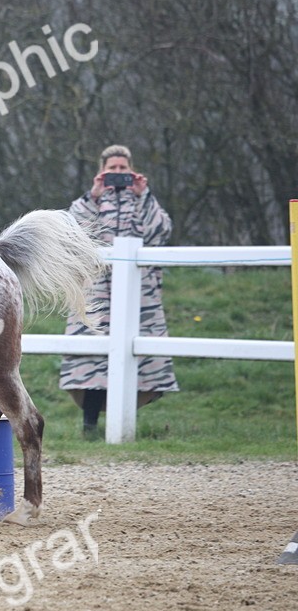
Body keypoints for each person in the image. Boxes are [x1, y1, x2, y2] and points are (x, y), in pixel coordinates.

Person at [59, 144, 178, 437]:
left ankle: (124, 426)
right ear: (102, 171)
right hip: (96, 294)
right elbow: (72, 230)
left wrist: (143, 195)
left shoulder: (143, 200)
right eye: (112, 168)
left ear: (132, 170)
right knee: (93, 363)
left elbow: (160, 231)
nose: (118, 173)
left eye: (123, 168)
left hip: (140, 295)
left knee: (137, 356)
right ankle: (90, 428)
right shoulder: (89, 201)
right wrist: (93, 196)